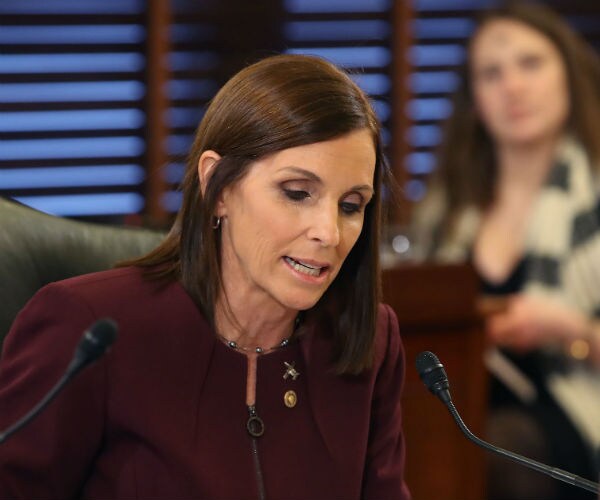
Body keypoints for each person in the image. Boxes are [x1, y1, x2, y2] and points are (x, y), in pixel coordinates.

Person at [0, 54, 411, 499]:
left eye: (351, 205)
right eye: (296, 194)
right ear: (217, 187)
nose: (329, 232)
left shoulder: (367, 341)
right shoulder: (89, 329)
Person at [413, 3, 600, 499]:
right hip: (454, 401)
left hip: (575, 414)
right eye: (491, 73)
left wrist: (568, 330)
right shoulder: (445, 209)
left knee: (498, 446)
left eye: (531, 64)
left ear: (568, 71)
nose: (513, 86)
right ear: (474, 98)